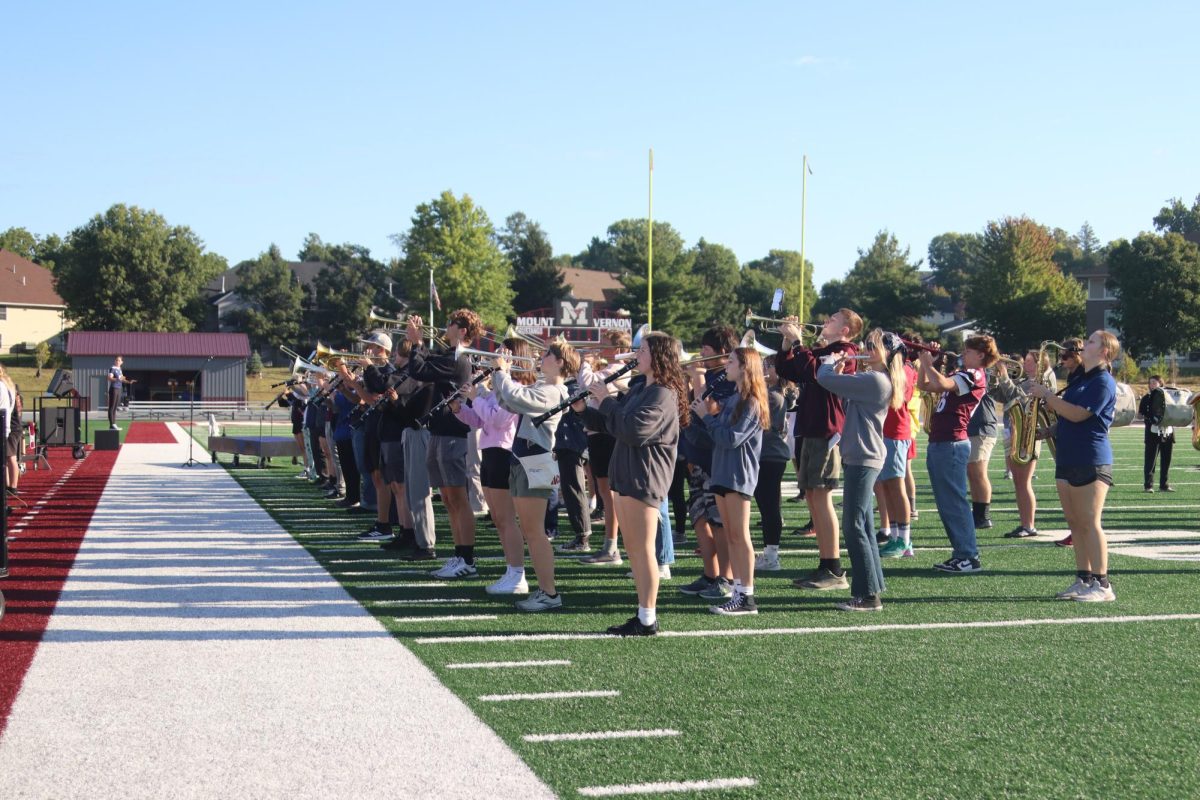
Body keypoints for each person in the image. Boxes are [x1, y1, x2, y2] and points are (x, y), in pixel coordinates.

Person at [587, 332, 687, 635]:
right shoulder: (642, 388)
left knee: (644, 552)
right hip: (627, 473)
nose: (636, 355)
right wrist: (584, 410)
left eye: (642, 350)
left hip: (645, 475)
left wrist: (605, 400)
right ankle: (642, 614)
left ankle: (647, 617)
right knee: (634, 550)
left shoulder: (663, 393)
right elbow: (612, 424)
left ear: (658, 357)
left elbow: (634, 429)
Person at [818, 329, 906, 610]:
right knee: (865, 527)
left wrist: (828, 363)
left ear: (887, 353)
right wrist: (840, 370)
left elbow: (824, 379)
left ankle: (867, 595)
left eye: (873, 346)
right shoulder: (875, 379)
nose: (866, 349)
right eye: (867, 344)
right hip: (862, 455)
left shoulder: (876, 380)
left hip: (863, 457)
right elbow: (840, 392)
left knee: (853, 526)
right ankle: (873, 587)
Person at [1029, 331, 1120, 602]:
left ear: (1104, 351)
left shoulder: (1104, 381)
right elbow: (1068, 415)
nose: (1084, 345)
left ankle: (1103, 585)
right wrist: (1049, 431)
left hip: (1091, 458)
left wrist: (1047, 395)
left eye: (1091, 342)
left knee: (1090, 522)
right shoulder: (1081, 378)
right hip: (1068, 457)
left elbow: (1080, 414)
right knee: (1075, 523)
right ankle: (1083, 579)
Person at [777, 308, 863, 590]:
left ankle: (834, 569)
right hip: (810, 427)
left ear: (845, 330)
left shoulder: (845, 352)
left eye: (832, 320)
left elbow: (817, 373)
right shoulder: (826, 349)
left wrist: (799, 343)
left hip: (827, 430)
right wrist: (788, 344)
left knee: (822, 499)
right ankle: (825, 565)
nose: (825, 322)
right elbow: (787, 369)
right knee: (813, 499)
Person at [492, 341, 579, 612]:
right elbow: (508, 402)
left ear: (560, 362)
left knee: (535, 533)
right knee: (531, 531)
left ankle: (549, 593)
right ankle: (544, 590)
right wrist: (499, 377)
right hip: (524, 461)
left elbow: (519, 398)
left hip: (534, 463)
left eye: (547, 355)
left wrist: (502, 373)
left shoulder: (554, 391)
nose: (541, 358)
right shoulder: (543, 387)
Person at [452, 339, 534, 594]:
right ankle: (511, 571)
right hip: (489, 451)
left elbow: (498, 419)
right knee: (498, 519)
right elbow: (479, 420)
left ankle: (517, 574)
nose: (494, 357)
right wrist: (459, 408)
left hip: (503, 453)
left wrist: (477, 396)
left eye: (502, 354)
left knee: (506, 519)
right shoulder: (499, 389)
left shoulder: (516, 387)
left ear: (514, 358)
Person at [691, 346, 768, 615]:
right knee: (732, 535)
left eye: (732, 362)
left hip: (738, 474)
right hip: (724, 472)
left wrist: (708, 417)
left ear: (746, 367)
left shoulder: (752, 401)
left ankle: (746, 596)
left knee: (739, 535)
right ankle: (738, 591)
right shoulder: (735, 398)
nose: (727, 366)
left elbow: (731, 438)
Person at [405, 312, 481, 579]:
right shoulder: (450, 355)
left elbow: (419, 369)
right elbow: (423, 363)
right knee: (448, 500)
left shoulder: (459, 359)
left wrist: (416, 343)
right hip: (439, 431)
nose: (446, 327)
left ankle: (468, 559)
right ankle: (459, 554)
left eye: (451, 324)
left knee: (458, 499)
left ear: (461, 331)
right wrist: (419, 344)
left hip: (453, 434)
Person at [916, 335, 999, 574]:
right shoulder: (964, 373)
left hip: (952, 443)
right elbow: (925, 385)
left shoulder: (974, 374)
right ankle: (961, 553)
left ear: (981, 355)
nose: (963, 354)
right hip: (942, 441)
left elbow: (941, 384)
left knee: (954, 502)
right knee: (947, 503)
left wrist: (929, 363)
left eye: (968, 351)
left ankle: (968, 556)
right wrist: (926, 364)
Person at [677, 325, 738, 600]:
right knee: (699, 517)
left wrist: (698, 382)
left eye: (707, 350)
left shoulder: (727, 380)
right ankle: (710, 574)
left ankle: (726, 577)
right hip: (696, 456)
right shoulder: (710, 377)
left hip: (715, 459)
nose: (700, 354)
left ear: (724, 353)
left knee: (718, 522)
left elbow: (710, 413)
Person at [577, 330, 633, 563]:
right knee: (604, 493)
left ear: (618, 351)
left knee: (609, 495)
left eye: (605, 346)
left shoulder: (618, 371)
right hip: (597, 433)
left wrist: (584, 363)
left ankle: (612, 546)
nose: (600, 350)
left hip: (606, 435)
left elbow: (589, 383)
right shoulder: (609, 368)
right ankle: (610, 545)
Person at [1001, 349, 1056, 538]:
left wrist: (1003, 374)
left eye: (1030, 362)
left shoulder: (1039, 382)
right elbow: (1002, 395)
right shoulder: (1025, 382)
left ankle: (1029, 525)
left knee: (1023, 483)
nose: (1025, 364)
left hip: (1029, 434)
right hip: (1019, 432)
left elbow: (1015, 396)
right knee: (1018, 482)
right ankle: (1024, 523)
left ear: (1040, 364)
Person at [876, 347, 918, 559]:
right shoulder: (893, 371)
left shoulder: (903, 372)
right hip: (885, 433)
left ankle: (904, 539)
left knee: (895, 485)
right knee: (887, 487)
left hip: (895, 433)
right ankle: (895, 536)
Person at [753, 358, 791, 571]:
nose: (764, 369)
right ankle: (769, 552)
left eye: (769, 366)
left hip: (771, 455)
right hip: (767, 454)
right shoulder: (770, 392)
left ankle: (771, 555)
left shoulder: (774, 396)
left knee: (769, 507)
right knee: (766, 505)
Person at [1139, 375, 1175, 493]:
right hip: (1152, 433)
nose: (1152, 385)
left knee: (1166, 460)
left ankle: (1164, 485)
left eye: (1154, 382)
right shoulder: (1147, 398)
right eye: (1150, 383)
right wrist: (1150, 416)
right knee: (1150, 461)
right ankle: (1148, 486)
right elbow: (1140, 415)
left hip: (1168, 432)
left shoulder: (1169, 397)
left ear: (1161, 383)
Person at [106, 356, 135, 429]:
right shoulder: (112, 368)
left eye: (119, 360)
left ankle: (113, 424)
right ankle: (112, 424)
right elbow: (109, 378)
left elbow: (121, 379)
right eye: (116, 360)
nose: (117, 361)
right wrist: (117, 379)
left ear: (122, 362)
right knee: (112, 407)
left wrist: (129, 382)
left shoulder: (119, 369)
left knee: (115, 407)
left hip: (119, 388)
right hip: (114, 388)